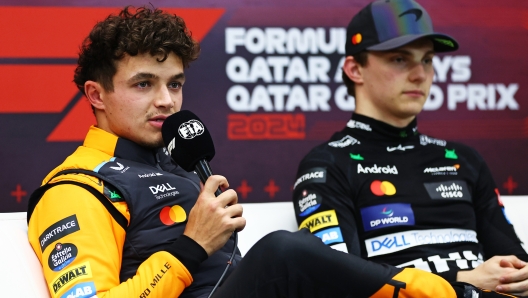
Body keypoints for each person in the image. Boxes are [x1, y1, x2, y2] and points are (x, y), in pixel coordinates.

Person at [26, 5, 512, 298]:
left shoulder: (178, 164)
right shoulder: (77, 188)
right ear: (95, 95)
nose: (167, 101)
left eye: (175, 84)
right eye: (144, 84)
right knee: (284, 252)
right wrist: (191, 245)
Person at [293, 0, 528, 296]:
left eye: (427, 60)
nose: (420, 74)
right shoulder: (326, 165)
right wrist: (463, 280)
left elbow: (517, 265)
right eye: (400, 59)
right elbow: (340, 281)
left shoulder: (462, 159)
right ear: (355, 69)